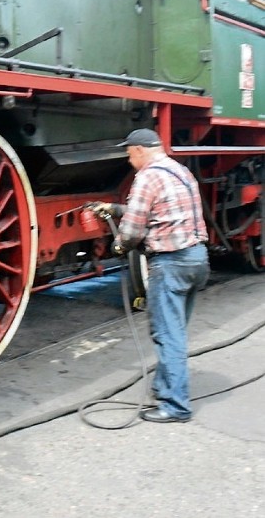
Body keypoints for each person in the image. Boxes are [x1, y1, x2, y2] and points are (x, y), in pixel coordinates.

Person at [92, 128, 209, 423]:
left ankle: (176, 406)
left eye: (129, 154)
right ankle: (164, 388)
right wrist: (115, 209)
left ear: (140, 150)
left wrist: (118, 246)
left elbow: (132, 231)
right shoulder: (179, 171)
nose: (130, 161)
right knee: (176, 330)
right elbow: (159, 210)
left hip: (171, 264)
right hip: (196, 260)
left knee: (168, 335)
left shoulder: (146, 177)